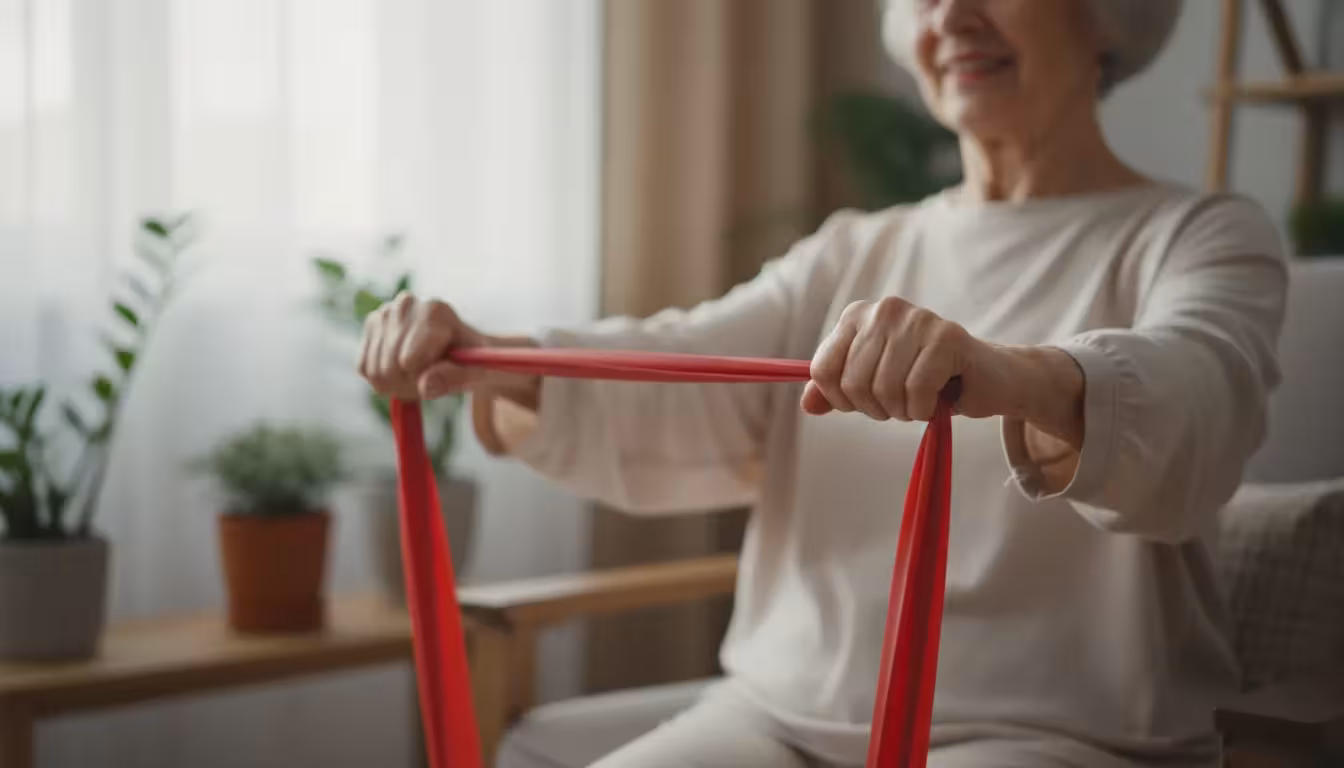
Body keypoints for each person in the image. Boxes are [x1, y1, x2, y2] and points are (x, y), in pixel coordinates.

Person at [359, 0, 1288, 765]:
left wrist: (1011, 375)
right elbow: (689, 370)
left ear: (1106, 17)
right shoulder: (856, 249)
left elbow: (1199, 392)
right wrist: (494, 357)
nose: (953, 17)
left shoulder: (1200, 233)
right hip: (774, 714)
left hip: (1053, 733)